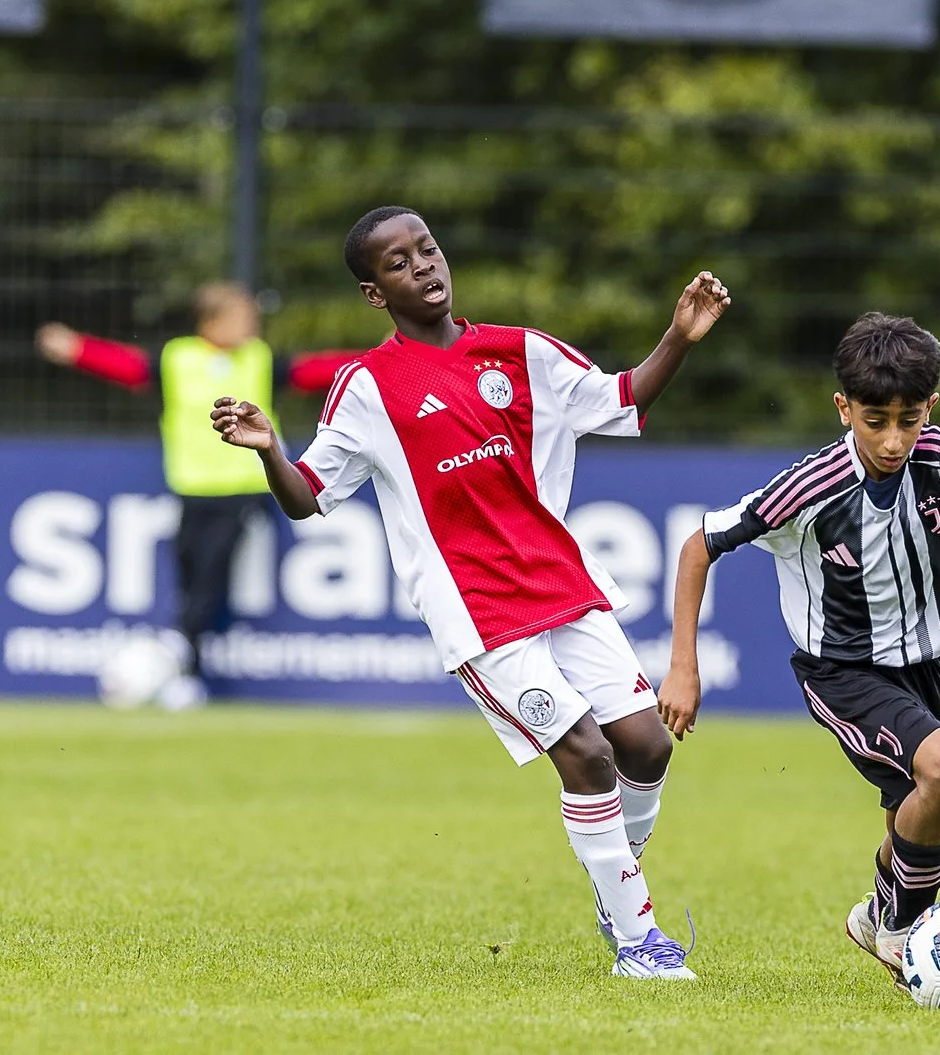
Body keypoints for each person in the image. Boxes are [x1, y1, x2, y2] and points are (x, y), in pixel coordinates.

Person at [209, 206, 729, 980]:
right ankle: (638, 941)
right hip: (480, 614)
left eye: (427, 248)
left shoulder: (522, 351)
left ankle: (612, 873)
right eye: (397, 262)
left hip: (564, 584)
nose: (422, 265)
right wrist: (269, 450)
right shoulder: (365, 386)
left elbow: (623, 400)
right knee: (585, 754)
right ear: (373, 291)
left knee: (647, 744)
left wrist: (679, 337)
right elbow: (307, 495)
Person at [658, 312, 940, 977]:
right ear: (843, 407)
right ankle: (906, 934)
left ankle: (878, 916)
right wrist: (683, 668)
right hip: (842, 668)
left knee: (915, 815)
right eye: (875, 420)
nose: (893, 438)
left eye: (910, 419)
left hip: (926, 666)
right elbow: (698, 545)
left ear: (930, 407)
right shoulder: (809, 488)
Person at [37, 283, 361, 710]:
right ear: (211, 321)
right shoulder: (178, 358)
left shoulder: (258, 359)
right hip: (191, 489)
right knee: (191, 582)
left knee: (210, 579)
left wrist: (372, 362)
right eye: (240, 317)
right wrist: (77, 349)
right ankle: (184, 677)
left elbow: (312, 371)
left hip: (242, 490)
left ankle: (172, 654)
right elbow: (127, 366)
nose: (250, 325)